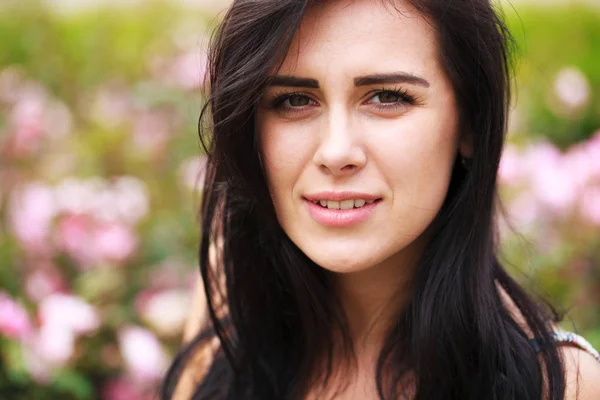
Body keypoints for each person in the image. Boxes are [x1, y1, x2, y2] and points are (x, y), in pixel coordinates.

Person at [161, 0, 600, 399]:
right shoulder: (225, 319)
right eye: (295, 100)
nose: (336, 153)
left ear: (468, 123)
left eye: (388, 98)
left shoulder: (560, 384)